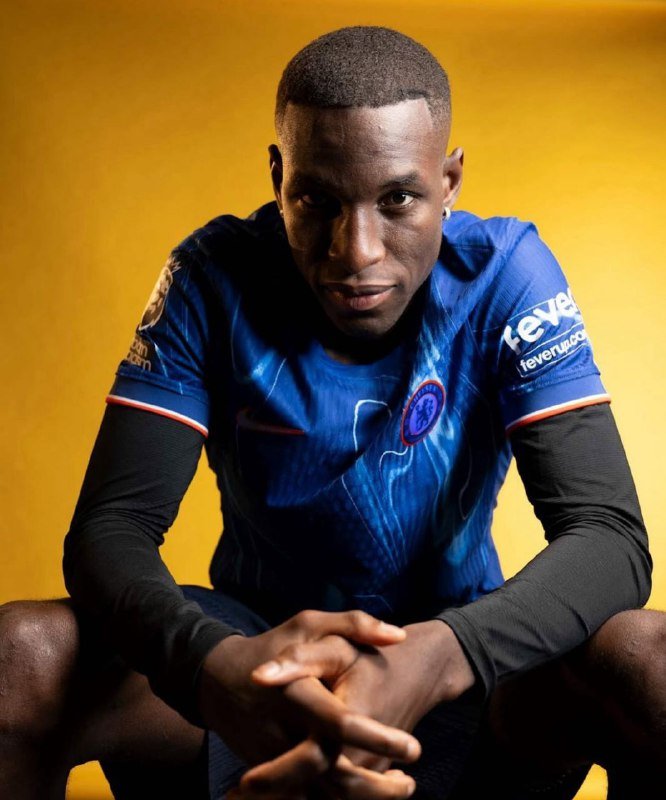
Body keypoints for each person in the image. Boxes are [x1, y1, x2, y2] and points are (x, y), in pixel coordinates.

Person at [0, 25, 663, 800]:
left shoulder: (504, 275)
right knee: (21, 656)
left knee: (649, 659)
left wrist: (445, 653)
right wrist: (210, 664)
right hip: (254, 661)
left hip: (469, 673)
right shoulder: (211, 277)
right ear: (278, 176)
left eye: (398, 199)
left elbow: (609, 535)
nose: (358, 252)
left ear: (449, 180)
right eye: (317, 199)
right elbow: (112, 528)